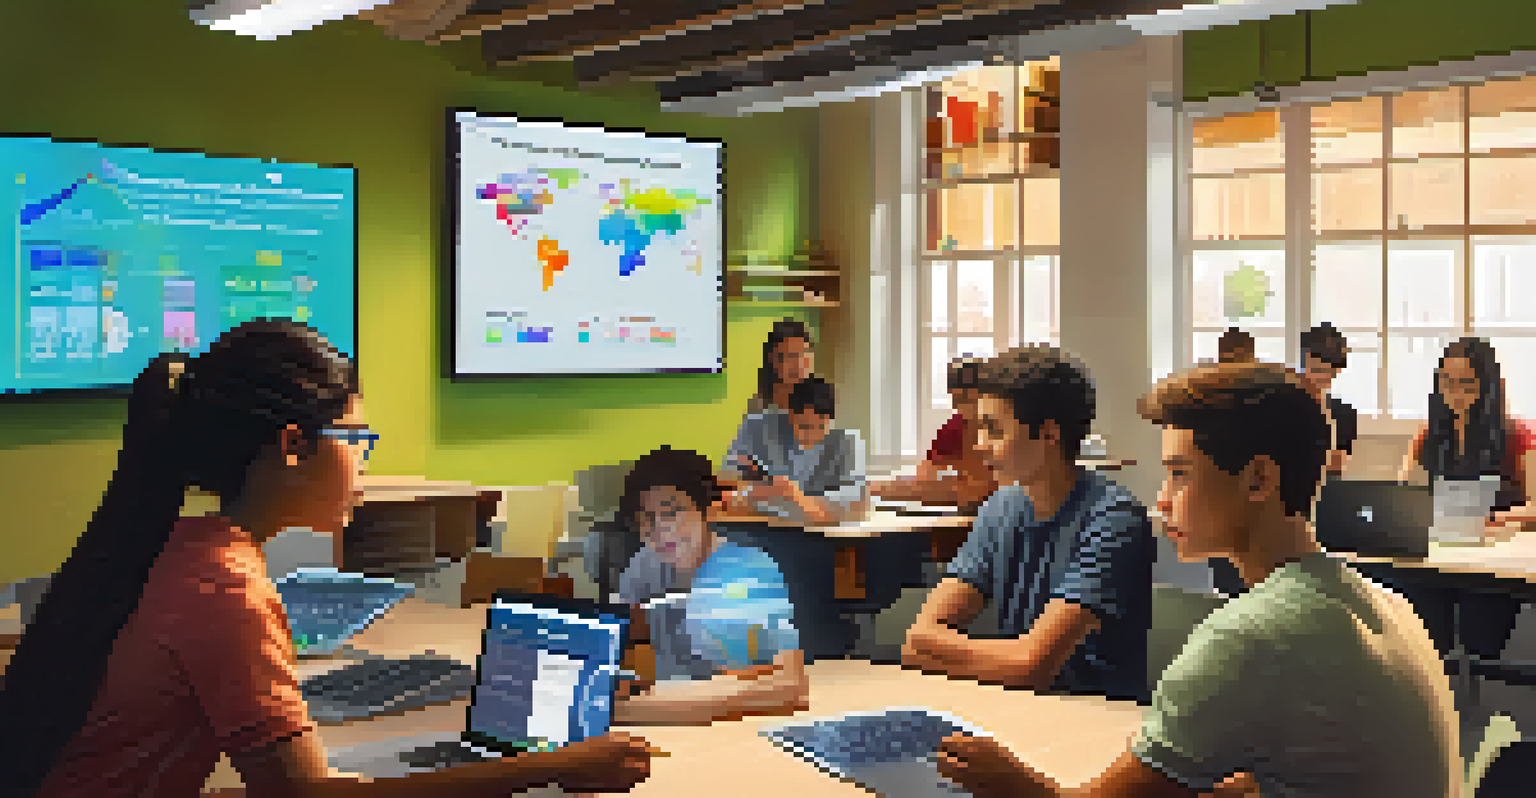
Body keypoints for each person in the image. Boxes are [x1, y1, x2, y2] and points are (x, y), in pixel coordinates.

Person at [0, 319, 652, 798]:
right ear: (293, 445)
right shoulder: (225, 586)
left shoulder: (179, 547)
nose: (363, 462)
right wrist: (560, 764)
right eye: (355, 438)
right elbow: (309, 796)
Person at [934, 362, 1461, 798]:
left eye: (1180, 474)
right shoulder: (1389, 604)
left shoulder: (1251, 634)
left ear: (1259, 479)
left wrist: (1008, 781)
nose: (1162, 499)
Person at [901, 346, 1155, 702]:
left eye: (994, 430)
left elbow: (1032, 666)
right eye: (979, 428)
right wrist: (1013, 661)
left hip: (1096, 717)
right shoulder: (999, 508)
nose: (980, 445)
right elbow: (916, 642)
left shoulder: (1114, 519)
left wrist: (959, 652)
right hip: (1017, 706)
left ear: (1049, 433)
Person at [609, 446, 809, 725]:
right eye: (646, 518)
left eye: (673, 513)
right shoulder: (646, 564)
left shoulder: (749, 570)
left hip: (740, 723)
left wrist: (641, 711)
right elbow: (615, 642)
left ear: (709, 512)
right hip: (673, 717)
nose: (659, 530)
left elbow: (790, 686)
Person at [1390, 336, 1536, 662]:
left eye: (1467, 384)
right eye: (1448, 383)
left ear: (1487, 387)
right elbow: (1402, 494)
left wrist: (1497, 519)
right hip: (1437, 554)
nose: (1456, 394)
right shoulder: (1428, 434)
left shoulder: (1517, 435)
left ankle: (1476, 679)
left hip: (1494, 557)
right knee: (1422, 634)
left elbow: (1534, 507)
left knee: (1480, 638)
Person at [723, 375, 878, 659]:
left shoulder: (847, 442)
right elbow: (732, 485)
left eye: (820, 427)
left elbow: (856, 503)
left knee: (802, 567)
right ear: (790, 417)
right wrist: (751, 493)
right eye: (803, 427)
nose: (810, 435)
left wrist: (795, 496)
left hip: (823, 539)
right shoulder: (765, 434)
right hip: (774, 530)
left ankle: (816, 648)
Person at [872, 356, 997, 512]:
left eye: (965, 398)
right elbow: (924, 478)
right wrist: (883, 488)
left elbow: (987, 488)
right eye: (955, 398)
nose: (957, 406)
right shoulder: (954, 428)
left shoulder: (1002, 429)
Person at [1301, 322, 1358, 478]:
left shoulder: (1344, 413)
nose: (1317, 379)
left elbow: (1335, 468)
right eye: (1315, 370)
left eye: (1326, 372)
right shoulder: (1284, 406)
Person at [746, 318, 815, 416]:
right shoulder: (759, 407)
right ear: (773, 359)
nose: (800, 364)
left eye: (805, 355)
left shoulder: (818, 401)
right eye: (791, 356)